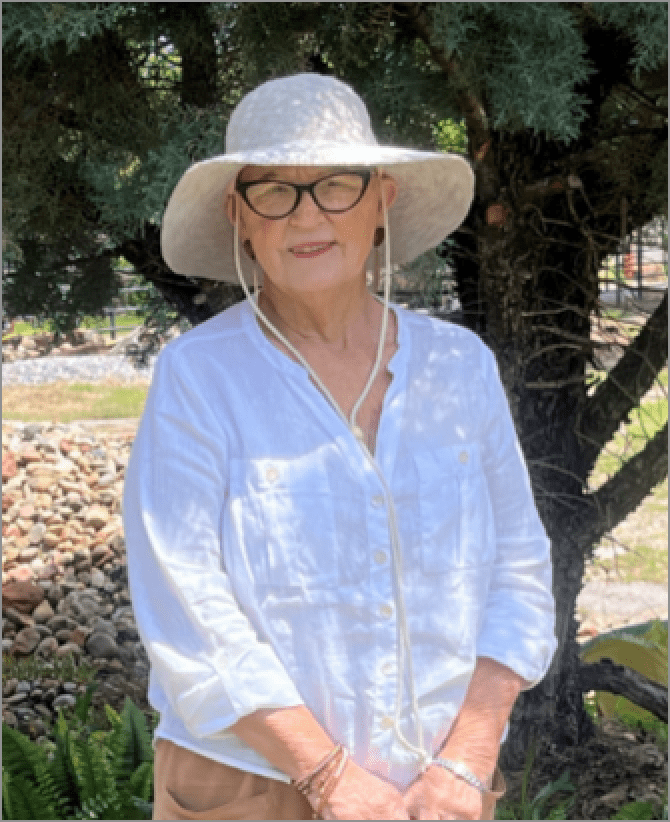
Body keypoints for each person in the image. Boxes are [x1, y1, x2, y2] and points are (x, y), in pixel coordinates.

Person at [123, 73, 557, 821]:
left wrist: (469, 757)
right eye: (274, 192)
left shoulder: (461, 367)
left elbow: (519, 575)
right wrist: (329, 778)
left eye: (335, 185)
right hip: (248, 785)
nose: (306, 215)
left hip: (440, 786)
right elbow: (187, 604)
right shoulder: (198, 380)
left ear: (381, 198)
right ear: (240, 217)